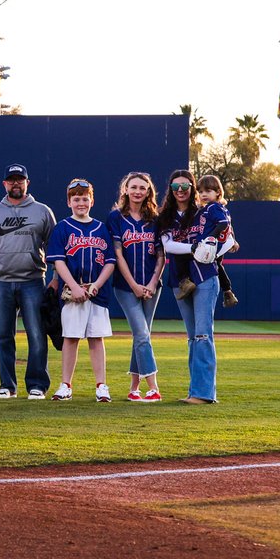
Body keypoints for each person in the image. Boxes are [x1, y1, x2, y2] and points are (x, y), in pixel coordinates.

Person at [156, 169, 234, 404]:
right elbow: (167, 246)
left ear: (191, 188)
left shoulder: (205, 211)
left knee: (202, 335)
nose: (181, 191)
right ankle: (196, 391)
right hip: (180, 280)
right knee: (192, 337)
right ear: (170, 190)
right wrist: (194, 248)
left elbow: (229, 238)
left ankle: (204, 394)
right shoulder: (166, 216)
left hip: (205, 277)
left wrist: (212, 251)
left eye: (186, 186)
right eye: (175, 187)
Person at [0, 163, 57, 400]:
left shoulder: (42, 211)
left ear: (27, 182)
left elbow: (55, 249)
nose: (15, 183)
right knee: (2, 336)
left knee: (36, 334)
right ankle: (7, 385)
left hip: (33, 280)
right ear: (4, 183)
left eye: (20, 179)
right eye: (11, 179)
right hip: (3, 281)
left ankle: (37, 384)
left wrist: (55, 280)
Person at [47, 179, 115, 402]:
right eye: (76, 199)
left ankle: (101, 386)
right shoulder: (63, 228)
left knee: (96, 339)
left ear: (91, 201)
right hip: (72, 292)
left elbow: (110, 262)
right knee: (71, 338)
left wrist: (96, 285)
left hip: (96, 292)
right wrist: (75, 287)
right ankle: (65, 385)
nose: (81, 203)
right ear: (69, 202)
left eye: (85, 198)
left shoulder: (101, 228)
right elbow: (58, 262)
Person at [107, 171, 164, 402]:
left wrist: (150, 283)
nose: (138, 191)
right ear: (126, 190)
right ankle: (153, 387)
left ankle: (133, 388)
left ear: (148, 191)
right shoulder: (116, 218)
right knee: (141, 334)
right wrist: (134, 285)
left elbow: (161, 256)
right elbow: (118, 255)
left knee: (142, 335)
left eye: (142, 187)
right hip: (125, 286)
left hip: (152, 286)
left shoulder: (156, 220)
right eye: (134, 187)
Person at [173, 174, 239, 308]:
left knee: (182, 255)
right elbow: (228, 225)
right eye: (201, 191)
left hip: (210, 245)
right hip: (218, 247)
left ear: (218, 192)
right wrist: (233, 241)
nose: (203, 194)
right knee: (218, 267)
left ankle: (185, 282)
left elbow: (223, 224)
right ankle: (228, 292)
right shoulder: (221, 208)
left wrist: (211, 238)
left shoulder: (212, 207)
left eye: (208, 191)